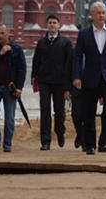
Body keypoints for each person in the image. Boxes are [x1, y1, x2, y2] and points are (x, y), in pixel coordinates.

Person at [73, 0, 106, 155]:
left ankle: (104, 142)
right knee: (89, 112)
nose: (101, 16)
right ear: (92, 15)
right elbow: (77, 56)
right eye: (99, 13)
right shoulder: (84, 34)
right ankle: (90, 145)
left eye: (103, 13)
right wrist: (76, 76)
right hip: (90, 77)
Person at [31, 14, 73, 150]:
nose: (52, 25)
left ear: (59, 25)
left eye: (54, 23)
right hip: (44, 81)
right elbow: (36, 61)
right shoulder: (41, 43)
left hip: (60, 82)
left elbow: (69, 64)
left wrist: (68, 85)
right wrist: (34, 78)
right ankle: (45, 141)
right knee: (45, 110)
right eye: (50, 23)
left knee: (59, 111)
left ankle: (60, 132)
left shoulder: (66, 42)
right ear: (47, 25)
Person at [0, 24, 26, 152]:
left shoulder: (17, 49)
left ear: (8, 33)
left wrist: (19, 87)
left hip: (10, 87)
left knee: (9, 118)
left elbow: (22, 69)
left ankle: (7, 144)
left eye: (2, 33)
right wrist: (0, 54)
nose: (0, 36)